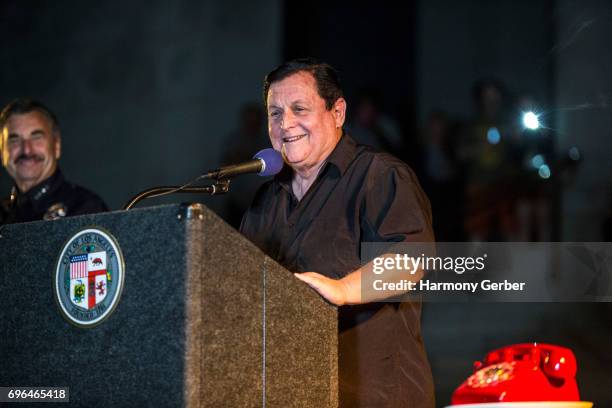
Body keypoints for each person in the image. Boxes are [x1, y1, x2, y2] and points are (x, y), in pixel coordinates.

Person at [240, 59, 435, 407]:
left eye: (299, 109)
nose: (285, 124)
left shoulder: (380, 175)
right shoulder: (265, 201)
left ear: (338, 112)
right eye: (275, 113)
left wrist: (343, 289)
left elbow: (411, 260)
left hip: (375, 395)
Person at [0, 98, 108, 224]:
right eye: (14, 140)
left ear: (56, 146)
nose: (27, 150)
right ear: (2, 152)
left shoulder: (86, 210)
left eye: (36, 137)